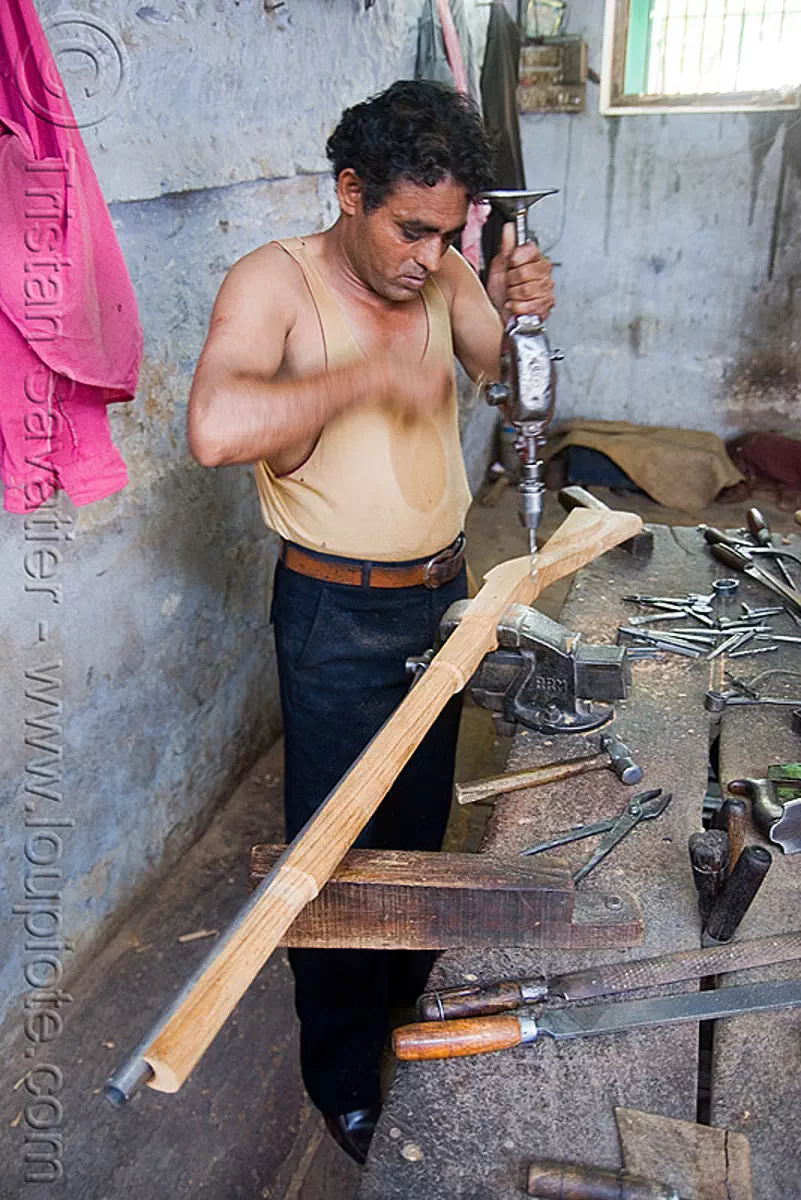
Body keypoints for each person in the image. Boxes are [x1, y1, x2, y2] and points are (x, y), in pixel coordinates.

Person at [187, 79, 554, 1165]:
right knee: (340, 860)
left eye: (448, 233)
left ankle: (405, 1016)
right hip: (336, 612)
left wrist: (518, 302)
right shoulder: (275, 282)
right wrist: (353, 380)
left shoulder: (441, 269)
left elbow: (500, 371)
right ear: (349, 190)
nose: (424, 255)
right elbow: (214, 426)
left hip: (441, 597)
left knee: (418, 831)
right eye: (408, 227)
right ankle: (342, 1076)